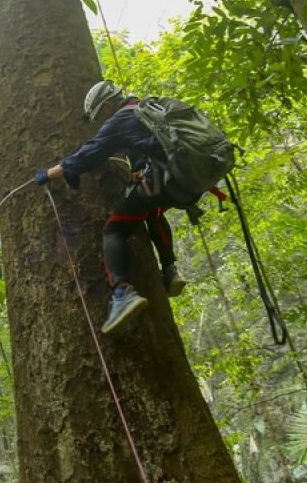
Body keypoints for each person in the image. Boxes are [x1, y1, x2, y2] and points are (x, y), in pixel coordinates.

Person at [36, 80, 194, 334]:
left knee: (114, 230)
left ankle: (122, 293)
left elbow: (91, 152)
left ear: (109, 104)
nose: (102, 121)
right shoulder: (146, 109)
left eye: (102, 114)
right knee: (151, 212)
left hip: (160, 178)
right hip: (181, 175)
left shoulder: (121, 118)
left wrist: (52, 172)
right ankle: (170, 270)